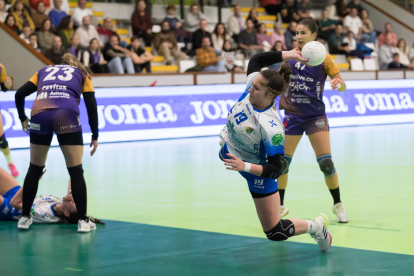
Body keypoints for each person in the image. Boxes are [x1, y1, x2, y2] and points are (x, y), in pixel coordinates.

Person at [219, 49, 333, 252]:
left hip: (257, 172)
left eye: (256, 88)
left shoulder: (271, 127)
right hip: (235, 154)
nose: (250, 89)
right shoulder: (253, 85)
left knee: (275, 232)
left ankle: (317, 227)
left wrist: (243, 166)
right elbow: (256, 59)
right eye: (252, 85)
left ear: (270, 94)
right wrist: (287, 54)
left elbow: (275, 169)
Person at [14, 53, 99, 232]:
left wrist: (23, 117)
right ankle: (83, 222)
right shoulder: (82, 74)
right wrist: (95, 134)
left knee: (34, 168)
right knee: (75, 171)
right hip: (66, 113)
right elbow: (91, 105)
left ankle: (24, 218)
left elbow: (20, 93)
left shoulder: (43, 71)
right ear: (76, 65)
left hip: (40, 112)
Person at [278, 18, 349, 223]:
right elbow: (278, 83)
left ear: (314, 36)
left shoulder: (324, 58)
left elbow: (343, 86)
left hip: (315, 117)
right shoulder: (289, 57)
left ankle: (338, 205)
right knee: (282, 164)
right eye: (297, 33)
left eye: (303, 33)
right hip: (292, 117)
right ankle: (280, 206)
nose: (298, 37)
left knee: (326, 163)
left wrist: (338, 83)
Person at [0, 167, 104, 226]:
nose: (73, 199)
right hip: (19, 193)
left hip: (8, 209)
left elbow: (14, 203)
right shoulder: (60, 203)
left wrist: (33, 180)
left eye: (73, 202)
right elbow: (73, 179)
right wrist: (72, 191)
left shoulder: (44, 214)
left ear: (66, 213)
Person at [0, 63, 19, 177]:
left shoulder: (1, 67)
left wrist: (6, 86)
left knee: (1, 140)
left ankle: (10, 164)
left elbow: (3, 88)